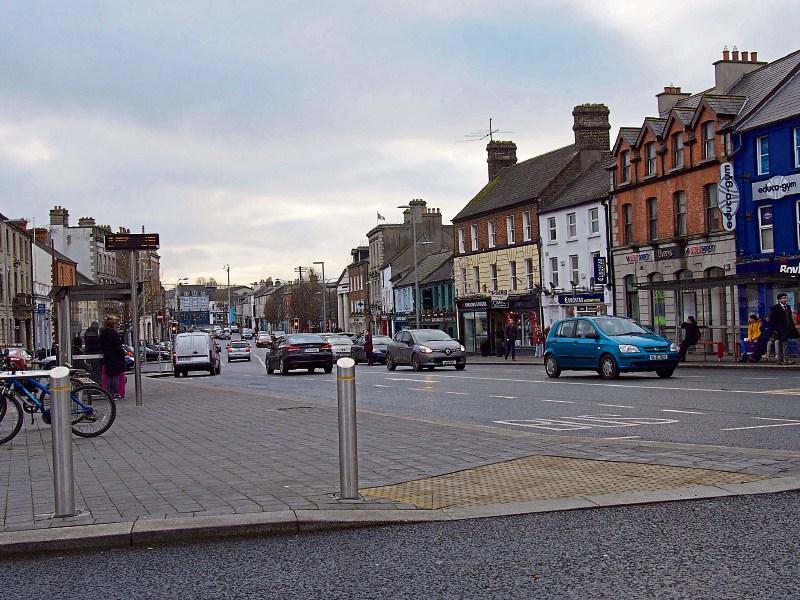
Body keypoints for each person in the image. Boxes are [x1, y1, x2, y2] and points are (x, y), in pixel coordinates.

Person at [766, 293, 798, 365]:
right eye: (783, 298)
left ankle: (782, 359)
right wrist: (774, 329)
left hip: (787, 328)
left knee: (784, 344)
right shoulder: (775, 307)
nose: (785, 299)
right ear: (779, 299)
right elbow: (771, 319)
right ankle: (784, 359)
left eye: (786, 298)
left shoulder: (788, 307)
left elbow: (789, 318)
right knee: (782, 344)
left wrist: (792, 327)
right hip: (779, 329)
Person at [99, 315, 127, 398]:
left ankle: (109, 393)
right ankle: (115, 393)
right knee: (116, 377)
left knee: (108, 377)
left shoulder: (102, 334)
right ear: (113, 325)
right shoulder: (114, 334)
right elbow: (118, 347)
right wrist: (122, 353)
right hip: (116, 358)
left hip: (107, 358)